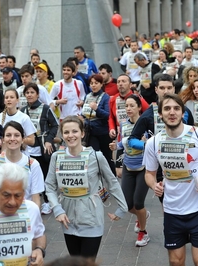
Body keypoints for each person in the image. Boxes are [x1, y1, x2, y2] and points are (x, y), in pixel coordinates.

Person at [143, 93, 198, 266]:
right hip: (172, 210)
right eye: (167, 108)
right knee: (175, 261)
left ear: (183, 112)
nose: (172, 112)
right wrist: (154, 185)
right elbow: (149, 173)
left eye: (176, 108)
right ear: (160, 114)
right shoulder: (154, 143)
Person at [45, 116, 127, 259]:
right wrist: (57, 209)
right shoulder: (57, 157)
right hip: (68, 219)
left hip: (92, 218)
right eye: (66, 132)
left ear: (82, 133)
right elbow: (50, 186)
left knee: (87, 262)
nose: (71, 136)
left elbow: (112, 181)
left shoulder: (96, 156)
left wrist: (122, 207)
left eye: (75, 131)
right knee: (75, 261)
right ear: (62, 135)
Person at [128, 74, 194, 205]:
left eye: (169, 87)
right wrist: (148, 145)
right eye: (162, 88)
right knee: (167, 203)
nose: (166, 91)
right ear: (156, 90)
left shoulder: (185, 112)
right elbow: (132, 140)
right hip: (161, 167)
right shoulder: (148, 115)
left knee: (186, 202)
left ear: (174, 89)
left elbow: (194, 137)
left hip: (185, 163)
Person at [0, 162, 46, 266]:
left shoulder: (32, 209)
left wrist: (39, 250)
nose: (12, 202)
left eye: (18, 195)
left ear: (24, 192)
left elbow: (39, 235)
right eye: (6, 195)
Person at [109, 95, 151, 247]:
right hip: (128, 166)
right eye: (126, 106)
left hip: (143, 167)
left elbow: (150, 144)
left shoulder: (146, 124)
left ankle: (143, 232)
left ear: (139, 107)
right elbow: (123, 142)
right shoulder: (123, 124)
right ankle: (143, 216)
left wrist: (145, 143)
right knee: (127, 204)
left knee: (138, 203)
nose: (128, 109)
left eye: (132, 105)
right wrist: (117, 146)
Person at [0, 121, 44, 207]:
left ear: (22, 139)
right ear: (3, 139)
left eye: (17, 135)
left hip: (23, 216)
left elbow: (36, 198)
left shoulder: (33, 164)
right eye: (8, 135)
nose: (12, 138)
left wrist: (35, 219)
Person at [20, 83, 58, 214]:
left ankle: (48, 202)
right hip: (27, 149)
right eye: (27, 93)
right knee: (30, 177)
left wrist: (48, 141)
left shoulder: (46, 108)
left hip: (42, 148)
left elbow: (55, 125)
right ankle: (32, 202)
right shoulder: (23, 110)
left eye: (32, 92)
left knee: (45, 175)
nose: (29, 95)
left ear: (37, 94)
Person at [108, 74, 150, 178]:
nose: (120, 84)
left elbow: (149, 112)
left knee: (139, 167)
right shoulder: (113, 99)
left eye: (124, 81)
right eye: (118, 82)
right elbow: (111, 117)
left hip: (138, 138)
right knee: (119, 172)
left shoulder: (137, 98)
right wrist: (112, 128)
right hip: (122, 136)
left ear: (130, 84)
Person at [82, 74, 115, 175]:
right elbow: (83, 112)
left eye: (96, 83)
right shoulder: (87, 96)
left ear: (101, 84)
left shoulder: (106, 97)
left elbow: (108, 115)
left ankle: (112, 177)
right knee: (93, 155)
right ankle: (96, 177)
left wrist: (97, 109)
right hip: (90, 132)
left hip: (103, 132)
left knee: (106, 157)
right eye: (91, 83)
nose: (93, 85)